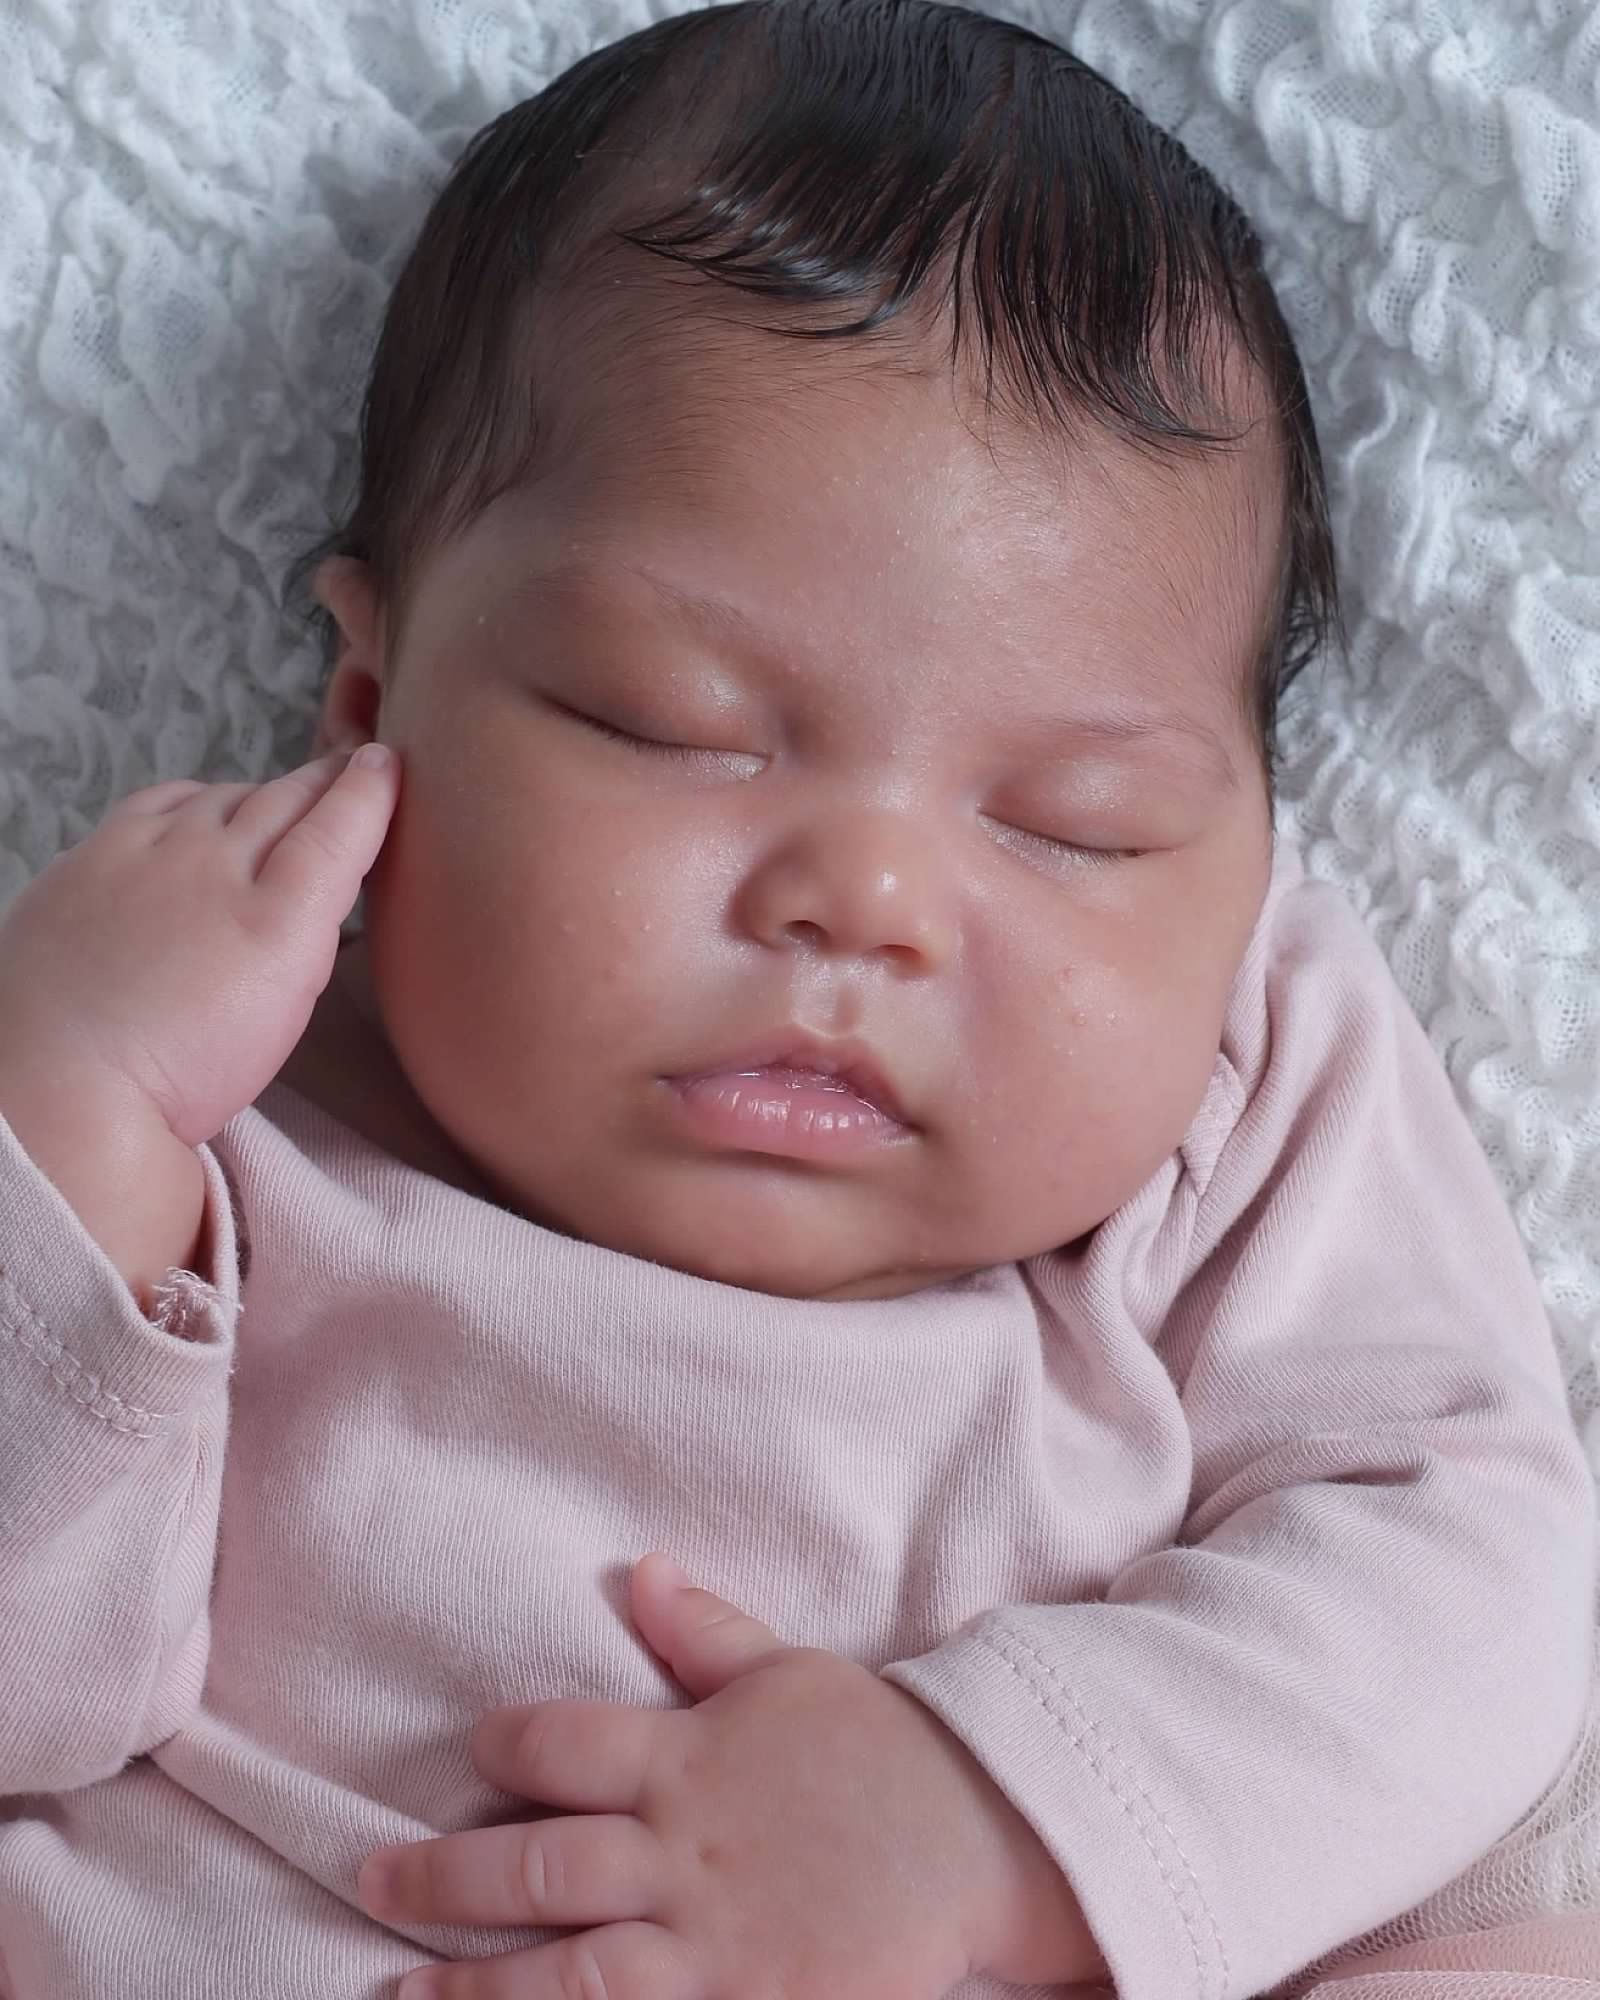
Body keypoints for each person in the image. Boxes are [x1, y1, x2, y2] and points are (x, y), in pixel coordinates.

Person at [0, 3, 1592, 1997]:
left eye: (1073, 826)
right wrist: (64, 1119)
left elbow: (1465, 1563)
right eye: (664, 725)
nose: (866, 902)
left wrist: (993, 1821)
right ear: (370, 705)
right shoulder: (209, 1088)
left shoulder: (1242, 1068)